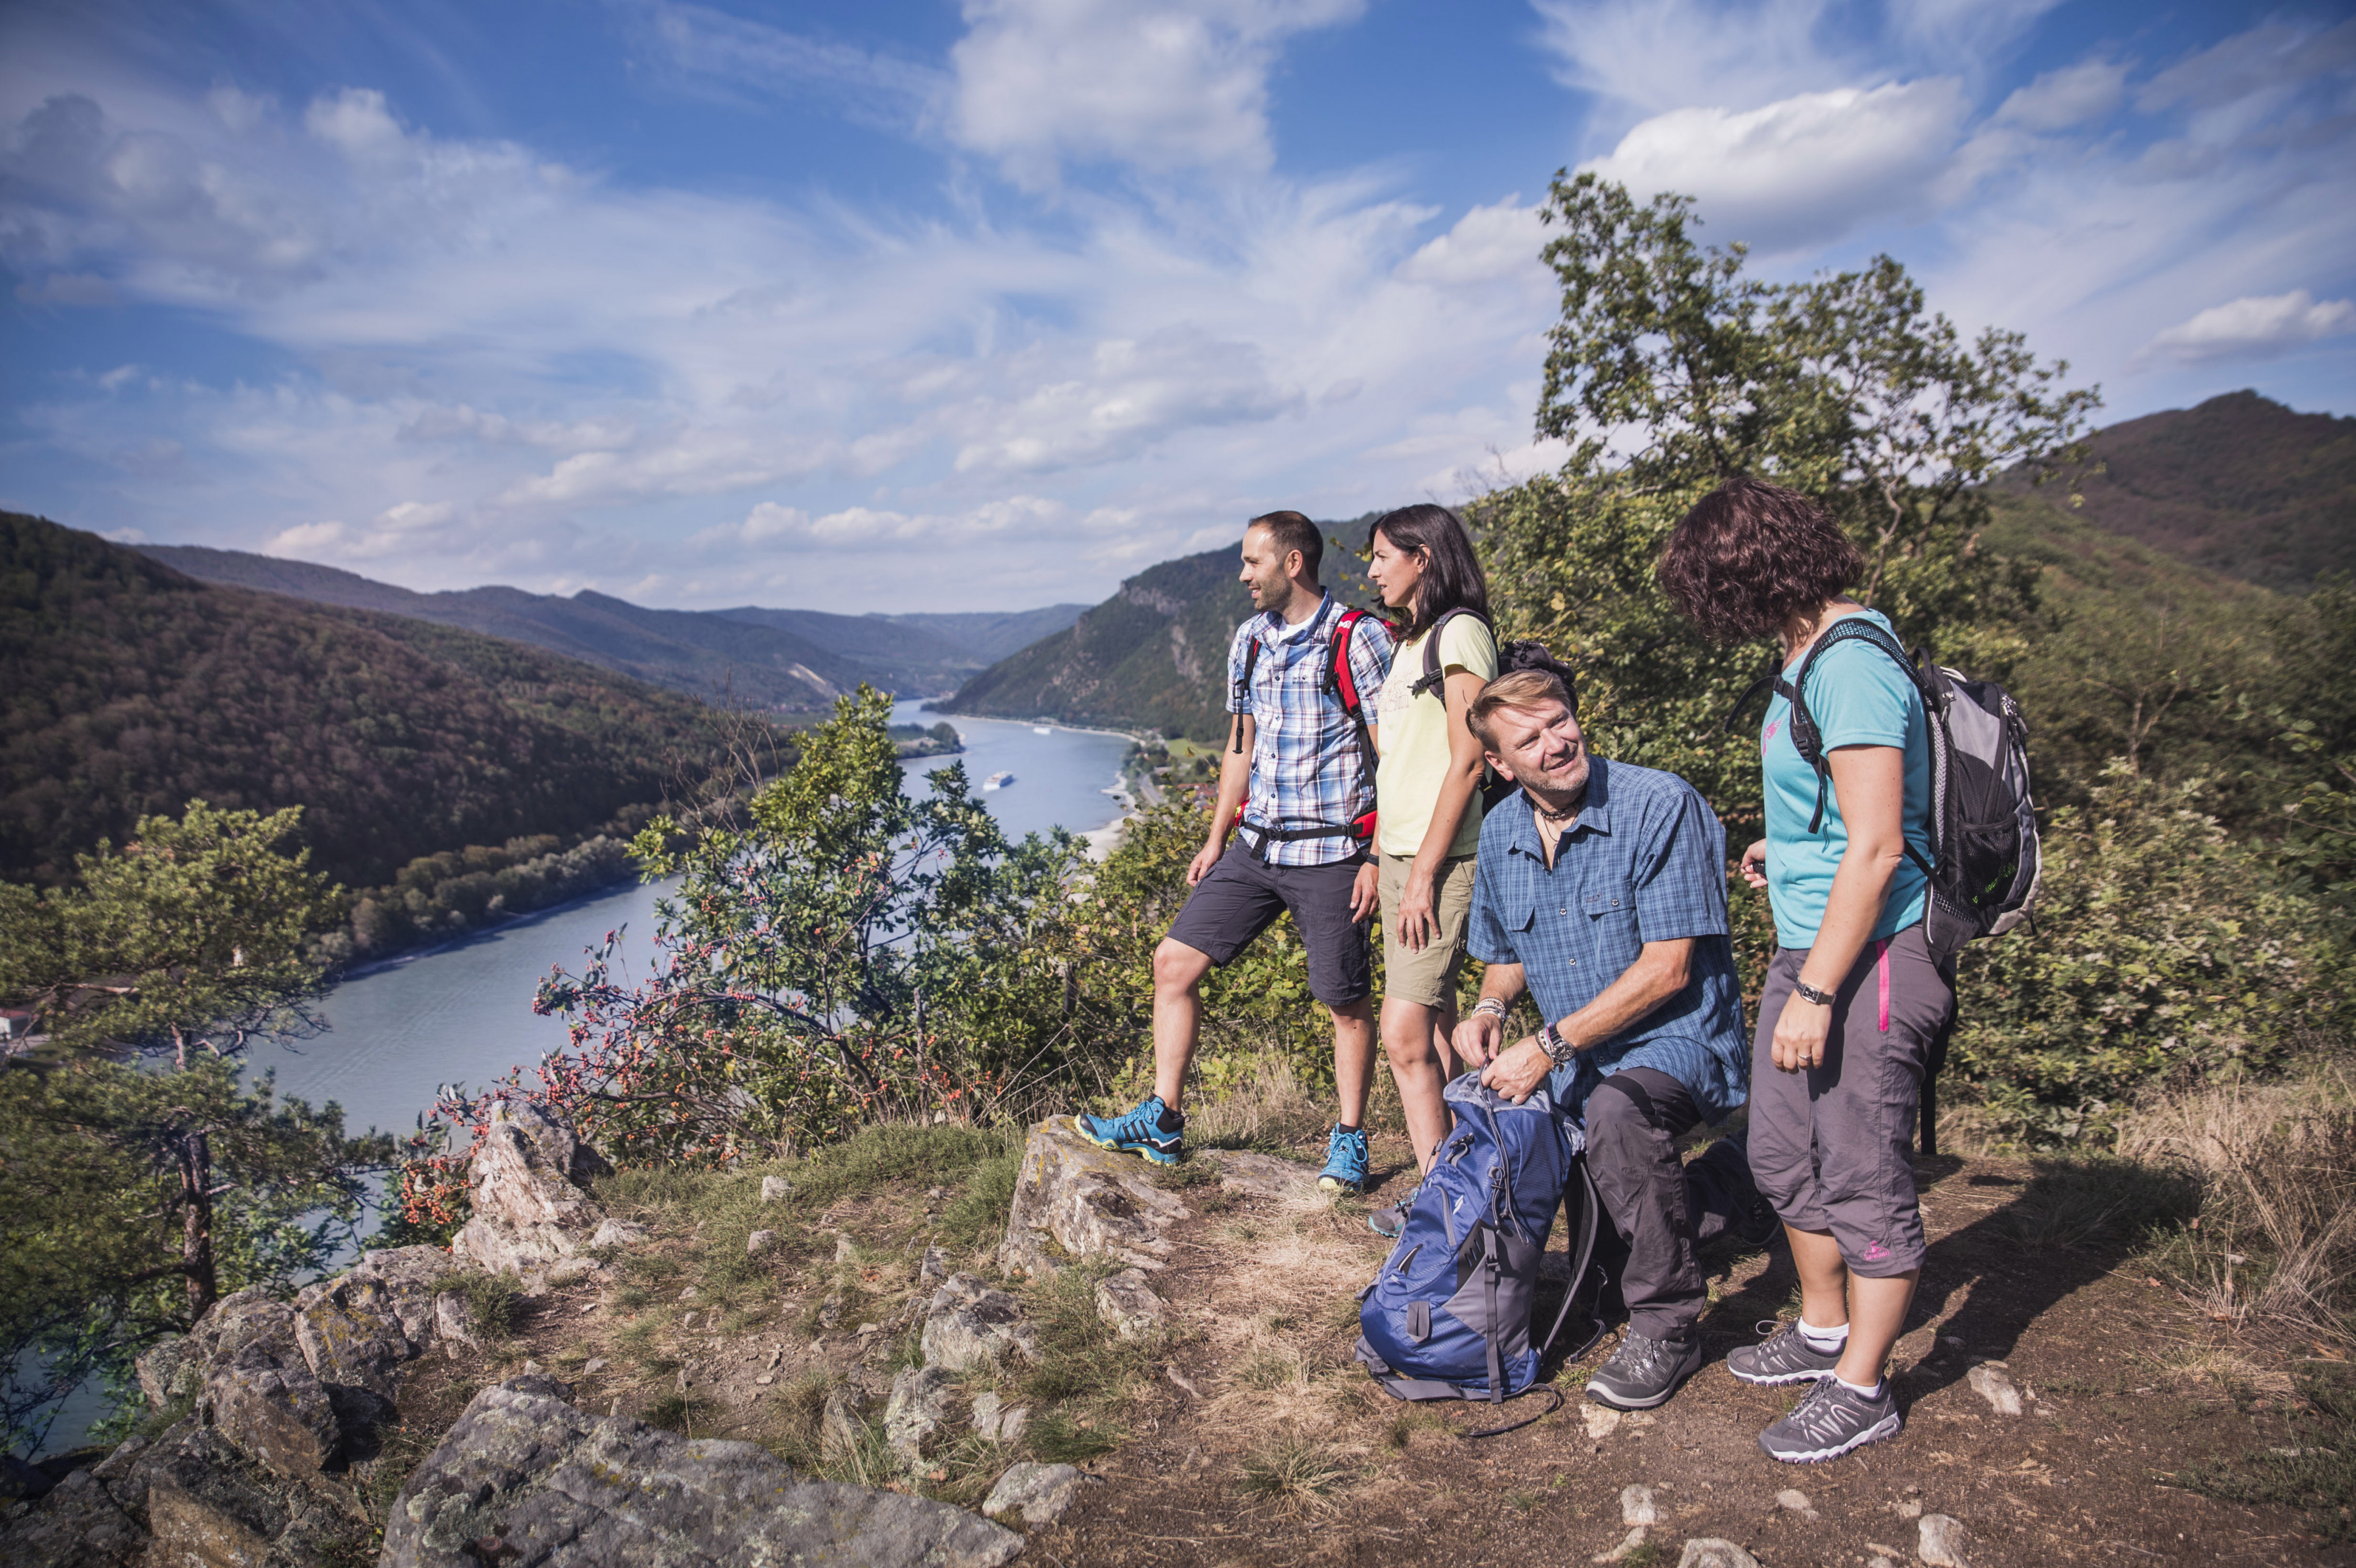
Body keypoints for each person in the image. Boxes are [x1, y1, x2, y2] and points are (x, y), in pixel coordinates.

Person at [1657, 474, 1950, 1463]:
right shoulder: (1808, 652)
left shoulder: (1853, 663)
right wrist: (1783, 854)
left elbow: (1876, 848)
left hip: (1867, 955)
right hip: (1811, 937)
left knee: (1863, 1168)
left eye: (1709, 586)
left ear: (1745, 570)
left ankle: (1864, 1383)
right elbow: (1843, 823)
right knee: (1781, 1151)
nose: (1710, 611)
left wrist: (1820, 992)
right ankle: (1824, 1326)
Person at [1451, 668, 1749, 1412]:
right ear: (1499, 763)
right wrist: (1490, 1006)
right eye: (1531, 737)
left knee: (1618, 1116)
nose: (1557, 743)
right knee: (1600, 1259)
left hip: (1682, 1041)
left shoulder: (1660, 804)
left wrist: (1546, 1047)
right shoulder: (1501, 831)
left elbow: (1669, 968)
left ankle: (1671, 1324)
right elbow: (1508, 951)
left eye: (1561, 722)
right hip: (1584, 1056)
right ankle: (1734, 1186)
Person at [1078, 511, 1396, 1192]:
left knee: (1343, 1000)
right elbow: (1239, 748)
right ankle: (1163, 1117)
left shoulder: (1359, 638)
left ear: (1292, 563)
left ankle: (1350, 1139)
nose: (1243, 575)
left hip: (1332, 851)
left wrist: (1376, 855)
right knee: (1174, 962)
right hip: (1255, 848)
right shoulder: (1249, 640)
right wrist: (1215, 837)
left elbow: (1389, 753)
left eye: (1254, 561)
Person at [1360, 504, 1499, 1229]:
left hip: (1439, 860)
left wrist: (1422, 873)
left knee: (1404, 1032)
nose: (1374, 569)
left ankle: (1442, 1203)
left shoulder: (1460, 631)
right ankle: (1464, 1179)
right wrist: (1383, 854)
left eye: (1383, 555)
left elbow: (1468, 755)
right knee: (1436, 1026)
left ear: (1422, 557)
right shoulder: (1411, 640)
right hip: (1405, 854)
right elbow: (1404, 763)